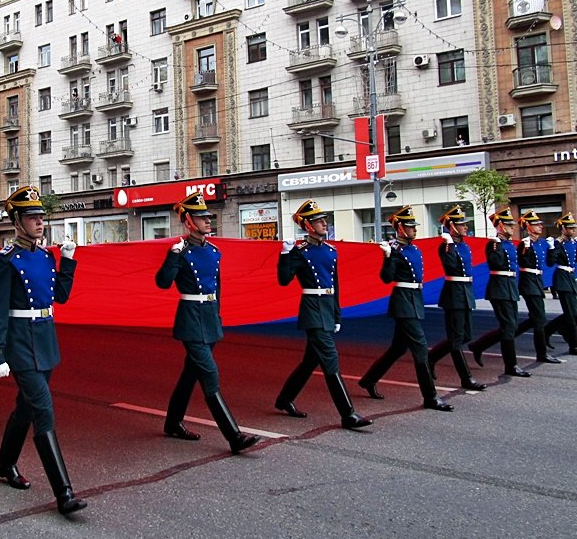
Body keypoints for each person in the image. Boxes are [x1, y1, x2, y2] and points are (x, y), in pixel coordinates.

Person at [0, 185, 86, 516]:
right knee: (43, 410)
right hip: (20, 345)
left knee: (26, 409)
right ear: (17, 221)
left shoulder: (45, 257)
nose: (39, 222)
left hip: (45, 339)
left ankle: (4, 464)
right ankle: (64, 493)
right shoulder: (5, 261)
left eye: (41, 216)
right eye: (31, 217)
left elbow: (61, 297)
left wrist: (68, 261)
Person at [156, 191, 260, 452]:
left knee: (190, 375)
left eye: (208, 216)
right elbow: (163, 282)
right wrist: (173, 256)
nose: (208, 220)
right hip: (191, 320)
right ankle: (234, 437)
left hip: (210, 319)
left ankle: (173, 423)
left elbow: (218, 287)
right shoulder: (180, 251)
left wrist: (218, 316)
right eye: (202, 217)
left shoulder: (214, 252)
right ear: (189, 221)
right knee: (210, 375)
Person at [275, 199, 372, 429]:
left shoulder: (331, 250)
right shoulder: (300, 252)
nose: (323, 224)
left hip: (327, 308)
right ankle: (347, 413)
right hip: (312, 309)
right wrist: (285, 254)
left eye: (323, 220)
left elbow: (335, 285)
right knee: (330, 359)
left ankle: (284, 399)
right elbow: (284, 280)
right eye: (318, 221)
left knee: (310, 362)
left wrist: (337, 315)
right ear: (308, 225)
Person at [358, 206, 453, 411]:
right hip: (403, 302)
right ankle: (430, 397)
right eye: (410, 227)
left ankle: (369, 379)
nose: (414, 230)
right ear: (400, 228)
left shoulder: (414, 248)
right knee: (420, 348)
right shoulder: (396, 250)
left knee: (398, 348)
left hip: (414, 299)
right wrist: (388, 257)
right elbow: (386, 278)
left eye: (414, 226)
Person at [427, 206, 486, 390]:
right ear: (451, 226)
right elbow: (451, 266)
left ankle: (430, 358)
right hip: (453, 293)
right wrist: (450, 244)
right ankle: (466, 378)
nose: (466, 227)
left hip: (465, 291)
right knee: (457, 339)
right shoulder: (446, 246)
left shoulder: (464, 245)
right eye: (462, 225)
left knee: (466, 335)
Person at [468, 207, 530, 377]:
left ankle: (478, 346)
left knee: (510, 327)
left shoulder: (508, 243)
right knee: (509, 327)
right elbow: (496, 263)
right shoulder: (494, 244)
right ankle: (511, 366)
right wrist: (496, 243)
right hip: (499, 288)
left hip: (509, 287)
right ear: (501, 226)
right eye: (509, 225)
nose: (513, 227)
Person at [513, 211, 561, 365]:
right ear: (528, 227)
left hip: (537, 281)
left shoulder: (540, 244)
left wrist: (553, 248)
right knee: (539, 319)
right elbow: (522, 262)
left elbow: (549, 263)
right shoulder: (524, 243)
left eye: (540, 224)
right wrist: (526, 248)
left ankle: (506, 335)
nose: (540, 226)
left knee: (535, 319)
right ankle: (542, 353)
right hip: (528, 283)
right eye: (536, 224)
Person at [544, 213, 577, 354]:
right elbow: (550, 262)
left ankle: (548, 329)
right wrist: (552, 247)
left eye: (575, 227)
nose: (574, 230)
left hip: (572, 278)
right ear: (563, 229)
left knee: (573, 312)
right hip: (562, 279)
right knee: (571, 315)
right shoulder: (557, 244)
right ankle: (574, 345)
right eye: (570, 228)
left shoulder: (574, 243)